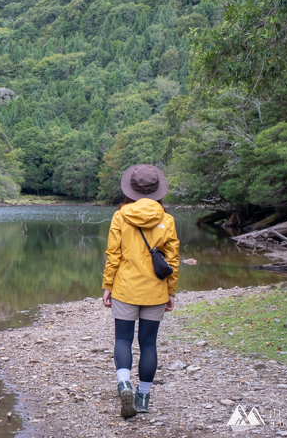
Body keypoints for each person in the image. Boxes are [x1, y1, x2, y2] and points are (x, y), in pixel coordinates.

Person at [102, 164, 179, 418]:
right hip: (155, 291)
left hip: (125, 287)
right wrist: (171, 290)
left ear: (131, 190)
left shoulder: (120, 216)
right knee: (148, 344)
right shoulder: (166, 219)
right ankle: (143, 395)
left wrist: (107, 285)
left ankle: (124, 384)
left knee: (123, 340)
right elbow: (173, 259)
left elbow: (114, 255)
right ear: (158, 190)